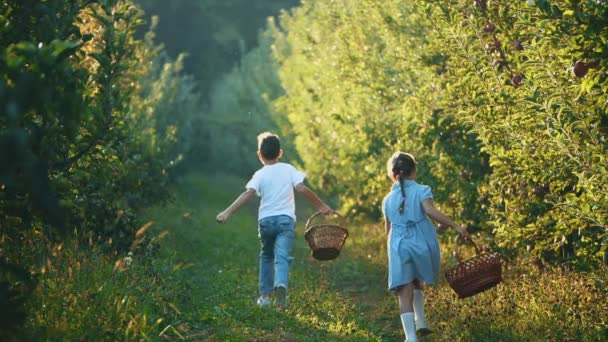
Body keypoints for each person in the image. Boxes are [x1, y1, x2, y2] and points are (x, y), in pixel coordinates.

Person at [216, 132, 334, 308]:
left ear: (259, 155)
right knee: (282, 257)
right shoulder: (288, 169)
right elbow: (301, 188)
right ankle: (281, 285)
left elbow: (248, 194)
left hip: (266, 222)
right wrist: (321, 206)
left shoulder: (260, 174)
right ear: (280, 153)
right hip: (285, 221)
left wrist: (227, 212)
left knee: (266, 256)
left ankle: (264, 297)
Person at [383, 152, 469, 342]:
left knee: (404, 290)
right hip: (420, 244)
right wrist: (454, 225)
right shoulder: (422, 190)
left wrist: (392, 252)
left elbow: (390, 230)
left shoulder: (387, 199)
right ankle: (421, 320)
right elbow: (430, 212)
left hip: (398, 245)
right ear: (414, 171)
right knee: (416, 280)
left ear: (393, 174)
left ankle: (411, 337)